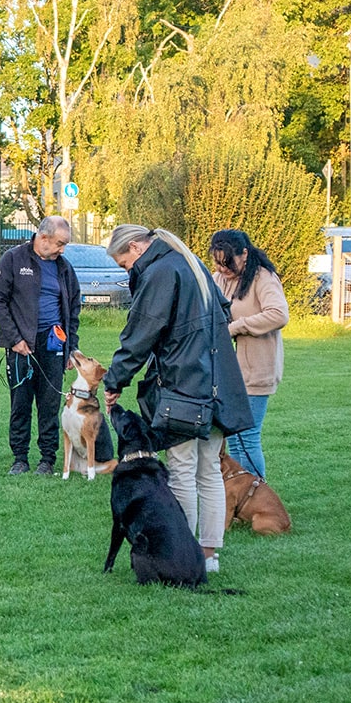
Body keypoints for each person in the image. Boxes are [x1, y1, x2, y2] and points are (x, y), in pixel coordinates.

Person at [101, 225, 252, 573]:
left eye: (125, 264)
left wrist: (115, 380)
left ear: (137, 248)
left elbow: (140, 333)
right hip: (217, 380)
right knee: (209, 470)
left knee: (182, 470)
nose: (128, 271)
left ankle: (177, 551)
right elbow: (224, 310)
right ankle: (209, 556)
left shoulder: (160, 272)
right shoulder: (190, 261)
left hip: (183, 386)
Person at [0, 216, 111, 476]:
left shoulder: (64, 268)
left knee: (48, 405)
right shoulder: (13, 259)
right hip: (21, 345)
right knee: (20, 403)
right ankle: (20, 459)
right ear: (43, 238)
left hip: (53, 343)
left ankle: (47, 459)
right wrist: (14, 339)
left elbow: (74, 309)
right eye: (59, 243)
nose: (62, 250)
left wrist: (71, 348)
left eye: (65, 244)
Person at [209, 229, 289, 480]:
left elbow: (278, 314)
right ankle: (243, 496)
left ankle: (257, 492)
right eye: (218, 263)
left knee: (248, 437)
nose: (223, 269)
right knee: (234, 437)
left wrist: (237, 327)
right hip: (229, 371)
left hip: (257, 369)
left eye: (228, 263)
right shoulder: (220, 279)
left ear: (244, 254)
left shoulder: (263, 278)